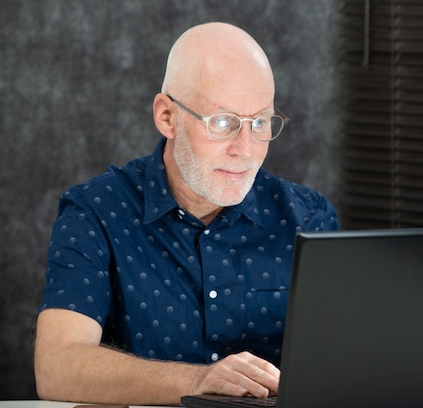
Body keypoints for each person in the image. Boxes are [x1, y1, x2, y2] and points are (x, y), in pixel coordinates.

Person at [34, 22, 339, 406]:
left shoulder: (307, 218)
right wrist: (198, 380)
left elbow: (337, 368)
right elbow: (56, 367)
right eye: (224, 123)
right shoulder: (95, 212)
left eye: (260, 123)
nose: (245, 150)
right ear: (167, 117)